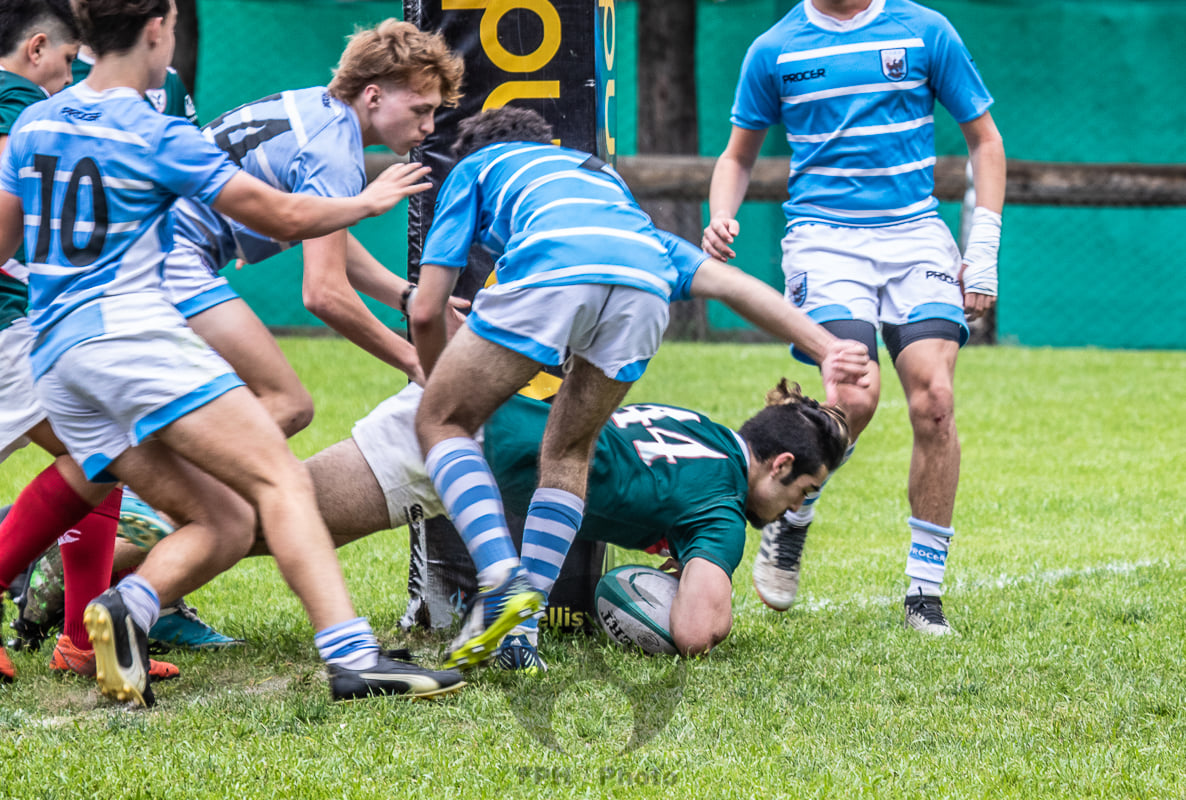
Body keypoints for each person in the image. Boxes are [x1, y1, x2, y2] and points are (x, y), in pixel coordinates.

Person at [0, 0, 462, 705]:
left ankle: (129, 607)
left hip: (58, 354)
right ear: (158, 29)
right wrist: (369, 203)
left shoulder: (36, 122)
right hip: (130, 334)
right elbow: (280, 217)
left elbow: (4, 246)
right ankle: (354, 658)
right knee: (278, 478)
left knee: (225, 519)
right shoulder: (158, 133)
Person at [410, 105, 869, 670]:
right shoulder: (608, 193)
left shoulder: (474, 169)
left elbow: (427, 307)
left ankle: (503, 579)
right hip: (645, 288)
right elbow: (731, 285)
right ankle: (520, 636)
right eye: (802, 493)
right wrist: (826, 348)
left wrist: (439, 388)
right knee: (570, 449)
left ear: (473, 150)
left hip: (553, 271)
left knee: (439, 420)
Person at [702, 0, 1005, 634]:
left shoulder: (925, 31)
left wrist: (981, 250)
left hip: (916, 234)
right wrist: (720, 213)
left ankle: (925, 592)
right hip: (823, 238)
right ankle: (794, 512)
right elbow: (736, 156)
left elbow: (985, 140)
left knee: (936, 401)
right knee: (853, 394)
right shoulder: (774, 48)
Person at [285, 377, 849, 670]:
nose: (793, 509)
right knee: (263, 518)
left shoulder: (702, 428)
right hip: (470, 444)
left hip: (476, 418)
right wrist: (702, 587)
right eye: (804, 492)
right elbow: (697, 631)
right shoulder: (723, 510)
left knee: (275, 515)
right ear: (780, 465)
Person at [164, 18, 465, 435]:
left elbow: (325, 235)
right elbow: (323, 293)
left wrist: (409, 298)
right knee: (287, 406)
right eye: (421, 110)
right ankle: (178, 501)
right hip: (171, 261)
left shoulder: (317, 109)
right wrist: (416, 363)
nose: (429, 126)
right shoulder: (335, 150)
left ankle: (167, 498)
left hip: (154, 252)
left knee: (169, 415)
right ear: (373, 95)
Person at [0, 0, 180, 685]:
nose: (73, 76)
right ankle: (79, 633)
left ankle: (81, 636)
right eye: (70, 61)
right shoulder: (18, 99)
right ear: (38, 46)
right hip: (13, 322)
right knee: (100, 453)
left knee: (99, 456)